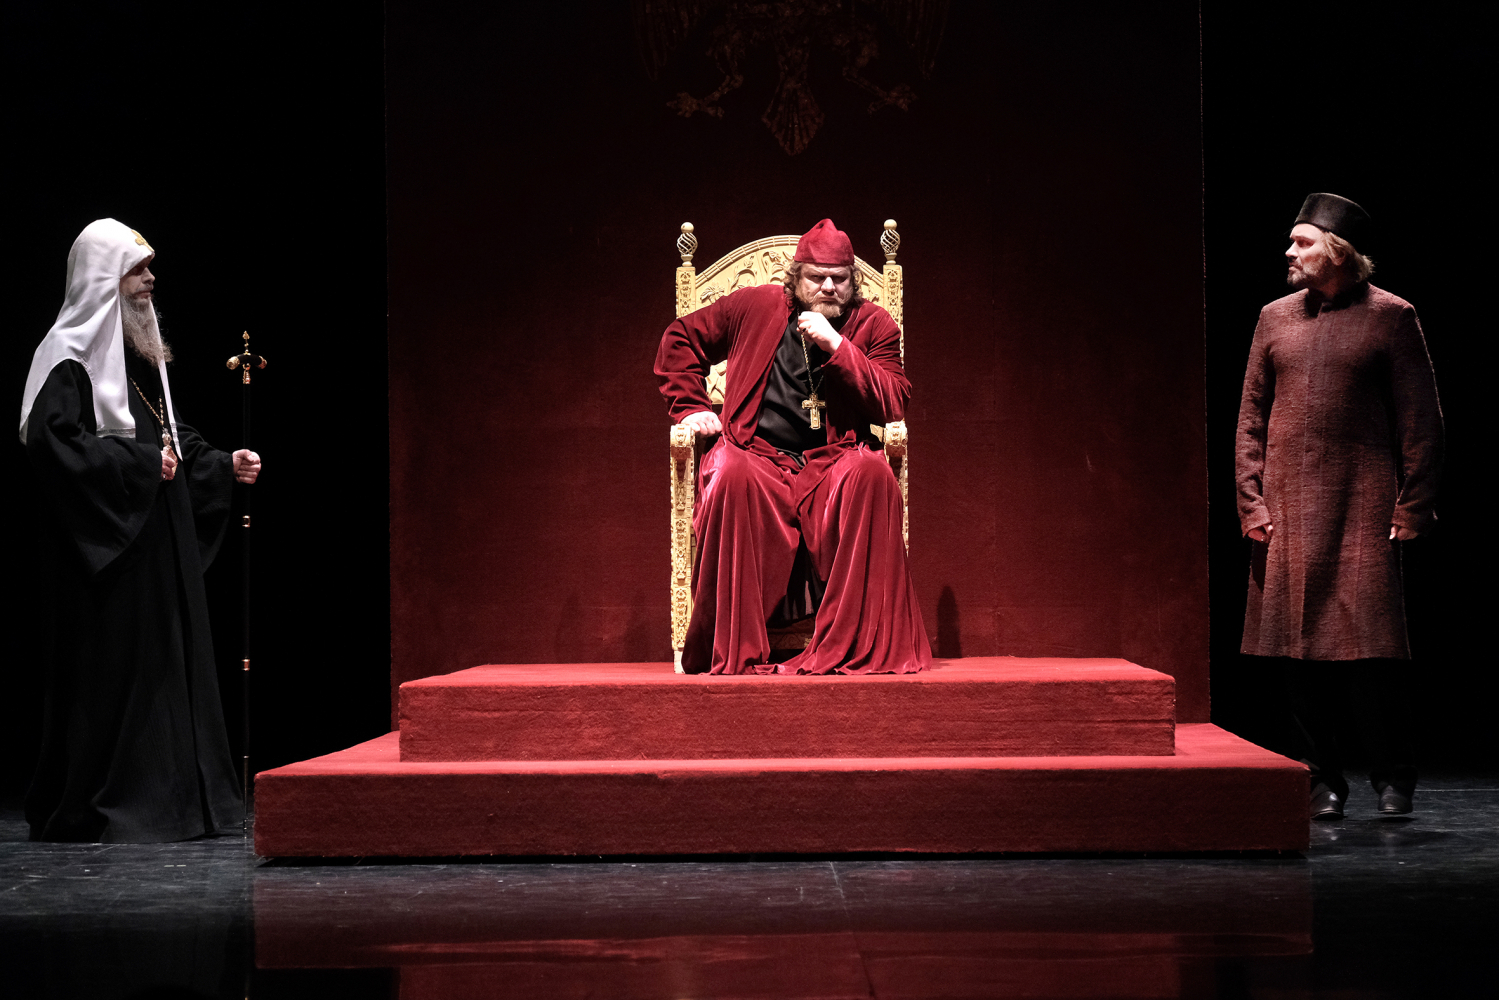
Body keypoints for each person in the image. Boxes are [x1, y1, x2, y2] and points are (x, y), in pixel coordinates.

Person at [19, 219, 262, 842]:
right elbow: (53, 446)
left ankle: (184, 804)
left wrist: (221, 466)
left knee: (168, 671)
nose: (151, 280)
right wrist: (138, 466)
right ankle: (122, 807)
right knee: (119, 682)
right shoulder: (67, 359)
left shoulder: (134, 358)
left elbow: (167, 438)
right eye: (139, 270)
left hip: (155, 551)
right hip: (107, 558)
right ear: (105, 279)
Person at [1235, 193, 1443, 820]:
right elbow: (1250, 418)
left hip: (1363, 506)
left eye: (1301, 242)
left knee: (1372, 652)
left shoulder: (1392, 317)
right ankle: (1319, 779)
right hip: (1288, 508)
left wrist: (1414, 505)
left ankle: (1393, 777)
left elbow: (1422, 420)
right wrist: (1251, 502)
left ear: (1337, 251)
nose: (1289, 252)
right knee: (1296, 653)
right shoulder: (1274, 318)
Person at [656, 219, 931, 676]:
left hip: (835, 461)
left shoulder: (873, 324)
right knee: (730, 474)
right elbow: (679, 339)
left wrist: (838, 346)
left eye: (839, 279)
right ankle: (735, 649)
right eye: (816, 277)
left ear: (853, 281)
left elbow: (894, 401)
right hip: (757, 455)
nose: (828, 287)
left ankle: (855, 645)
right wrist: (690, 408)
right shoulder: (754, 305)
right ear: (796, 276)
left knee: (874, 476)